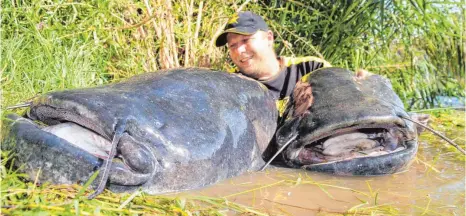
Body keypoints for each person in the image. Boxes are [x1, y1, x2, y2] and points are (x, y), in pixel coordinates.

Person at [215, 11, 331, 103]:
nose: (239, 50)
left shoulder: (313, 68)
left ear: (269, 38)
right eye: (232, 45)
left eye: (245, 40)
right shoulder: (229, 86)